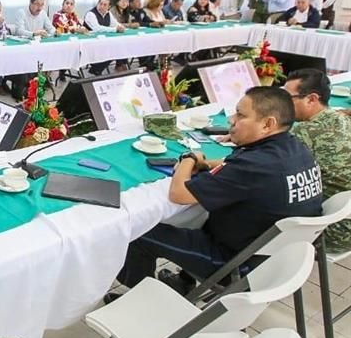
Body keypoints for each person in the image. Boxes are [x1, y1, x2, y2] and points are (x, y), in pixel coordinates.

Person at [114, 87, 323, 294]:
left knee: (138, 231)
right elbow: (233, 165)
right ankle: (183, 282)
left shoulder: (255, 165)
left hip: (235, 264)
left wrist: (189, 158)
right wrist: (208, 164)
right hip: (281, 261)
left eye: (241, 115)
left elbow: (178, 195)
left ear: (268, 124)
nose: (231, 119)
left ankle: (141, 300)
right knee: (203, 216)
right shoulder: (296, 149)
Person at [284, 69, 351, 253]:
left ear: (312, 99)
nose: (283, 104)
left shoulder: (305, 132)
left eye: (288, 98)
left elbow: (262, 162)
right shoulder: (342, 119)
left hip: (333, 232)